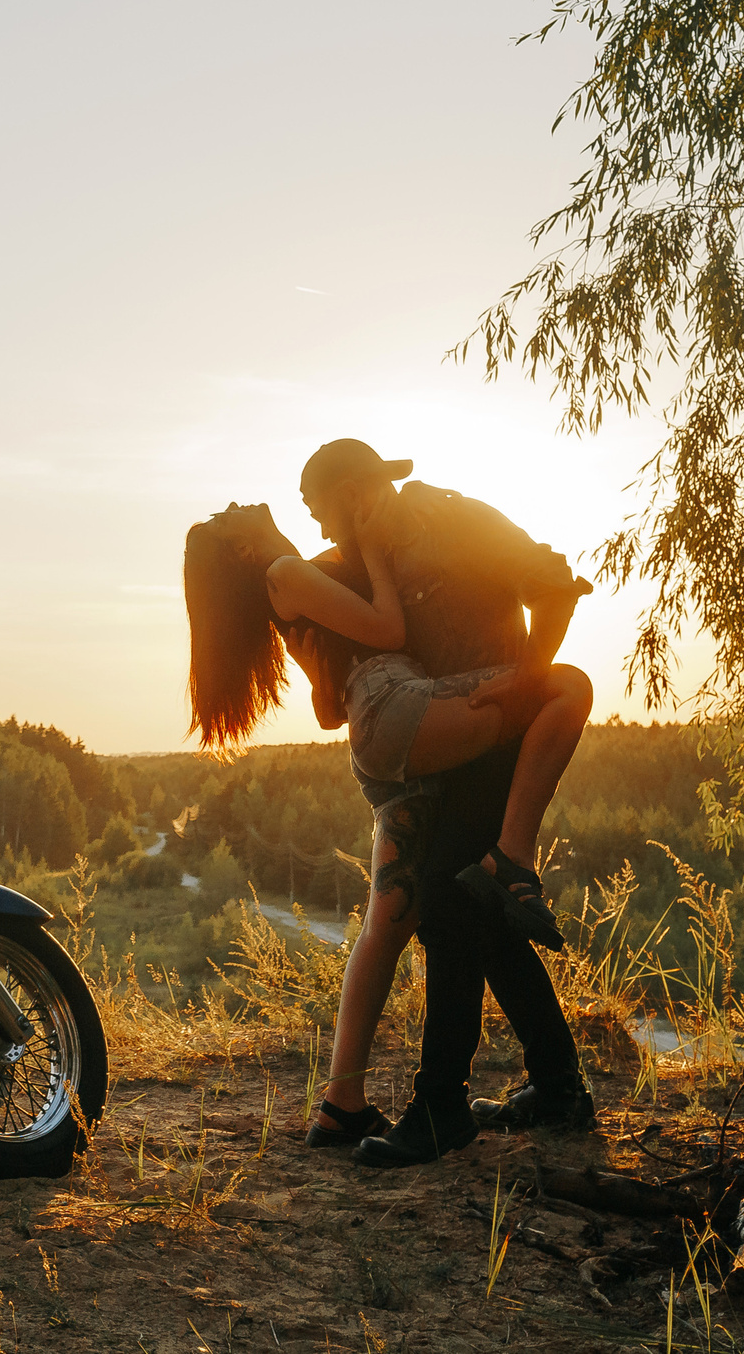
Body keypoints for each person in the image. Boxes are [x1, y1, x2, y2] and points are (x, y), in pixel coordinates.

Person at [180, 439, 595, 1162]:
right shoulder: (334, 565)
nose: (322, 528)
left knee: (446, 902)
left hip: (463, 726)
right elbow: (360, 656)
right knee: (459, 901)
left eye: (324, 511)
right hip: (434, 731)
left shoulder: (444, 521)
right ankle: (521, 1090)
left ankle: (442, 1102)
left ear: (358, 494)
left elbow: (553, 581)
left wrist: (526, 675)